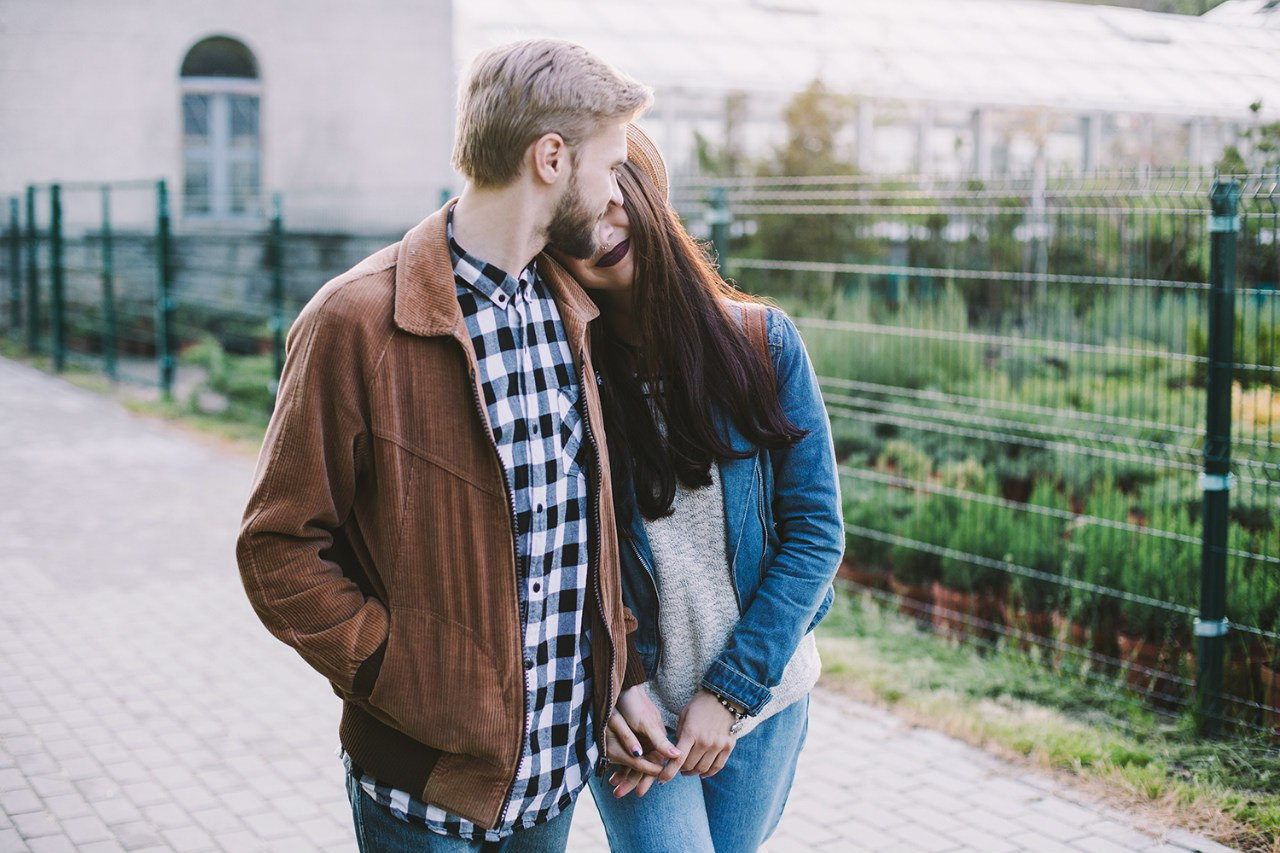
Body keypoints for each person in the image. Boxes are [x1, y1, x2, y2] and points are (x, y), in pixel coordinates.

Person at [235, 40, 655, 852]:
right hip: (418, 799)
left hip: (554, 785)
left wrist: (622, 673)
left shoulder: (568, 308)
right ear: (551, 157)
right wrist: (394, 669)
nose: (614, 197)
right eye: (610, 168)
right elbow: (276, 547)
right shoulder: (354, 320)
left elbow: (580, 534)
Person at [551, 126, 844, 853]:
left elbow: (816, 531)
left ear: (646, 193)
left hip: (760, 700)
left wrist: (729, 693)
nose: (600, 230)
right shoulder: (569, 378)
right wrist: (612, 682)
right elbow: (564, 554)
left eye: (611, 201)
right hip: (635, 709)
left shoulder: (761, 344)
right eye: (571, 228)